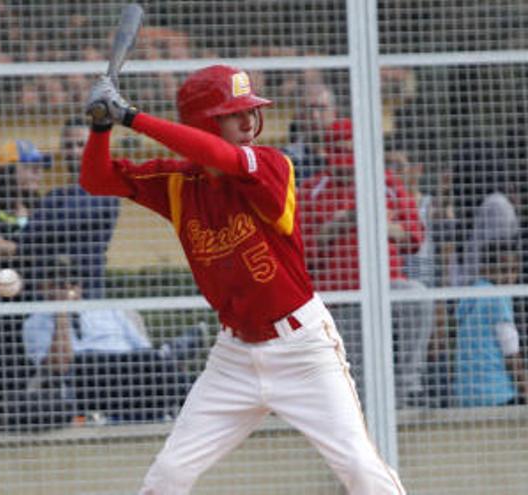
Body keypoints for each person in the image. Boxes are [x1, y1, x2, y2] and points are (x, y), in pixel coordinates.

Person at [81, 66, 405, 494]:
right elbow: (97, 179)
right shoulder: (179, 184)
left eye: (251, 111)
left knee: (360, 468)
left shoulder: (270, 165)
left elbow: (225, 159)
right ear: (202, 123)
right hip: (234, 356)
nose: (249, 121)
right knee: (170, 473)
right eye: (234, 114)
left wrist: (130, 117)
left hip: (302, 348)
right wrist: (101, 129)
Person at [299, 118, 434, 407]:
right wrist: (337, 226)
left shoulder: (385, 183)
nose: (346, 166)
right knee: (359, 387)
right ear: (327, 153)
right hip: (340, 296)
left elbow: (415, 236)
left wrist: (381, 225)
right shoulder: (312, 190)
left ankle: (409, 387)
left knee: (417, 297)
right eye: (340, 155)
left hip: (387, 288)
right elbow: (300, 254)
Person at [22, 255, 198, 423]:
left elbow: (145, 350)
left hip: (130, 371)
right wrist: (61, 312)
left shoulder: (108, 310)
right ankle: (172, 351)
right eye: (58, 283)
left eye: (73, 282)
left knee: (151, 362)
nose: (68, 287)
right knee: (87, 362)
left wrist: (154, 357)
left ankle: (195, 402)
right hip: (87, 377)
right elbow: (60, 365)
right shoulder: (35, 322)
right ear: (42, 287)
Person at [0, 139, 50, 396]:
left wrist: (12, 247)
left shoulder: (40, 206)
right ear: (8, 169)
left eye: (39, 168)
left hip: (35, 305)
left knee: (40, 379)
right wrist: (26, 249)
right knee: (9, 380)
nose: (38, 173)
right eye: (30, 167)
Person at [19, 117, 120, 299]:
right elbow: (27, 237)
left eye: (81, 144)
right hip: (47, 297)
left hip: (88, 297)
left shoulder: (106, 189)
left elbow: (59, 223)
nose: (74, 151)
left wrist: (45, 226)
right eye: (68, 145)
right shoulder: (53, 196)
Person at [454, 238, 528, 407]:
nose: (509, 277)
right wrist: (525, 389)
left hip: (465, 394)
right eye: (503, 270)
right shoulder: (497, 299)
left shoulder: (472, 293)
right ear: (486, 269)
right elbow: (511, 351)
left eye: (514, 270)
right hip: (496, 393)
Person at [282, 81, 339, 183]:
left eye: (322, 108)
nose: (315, 115)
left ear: (334, 113)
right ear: (299, 115)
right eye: (309, 108)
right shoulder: (286, 159)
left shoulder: (348, 156)